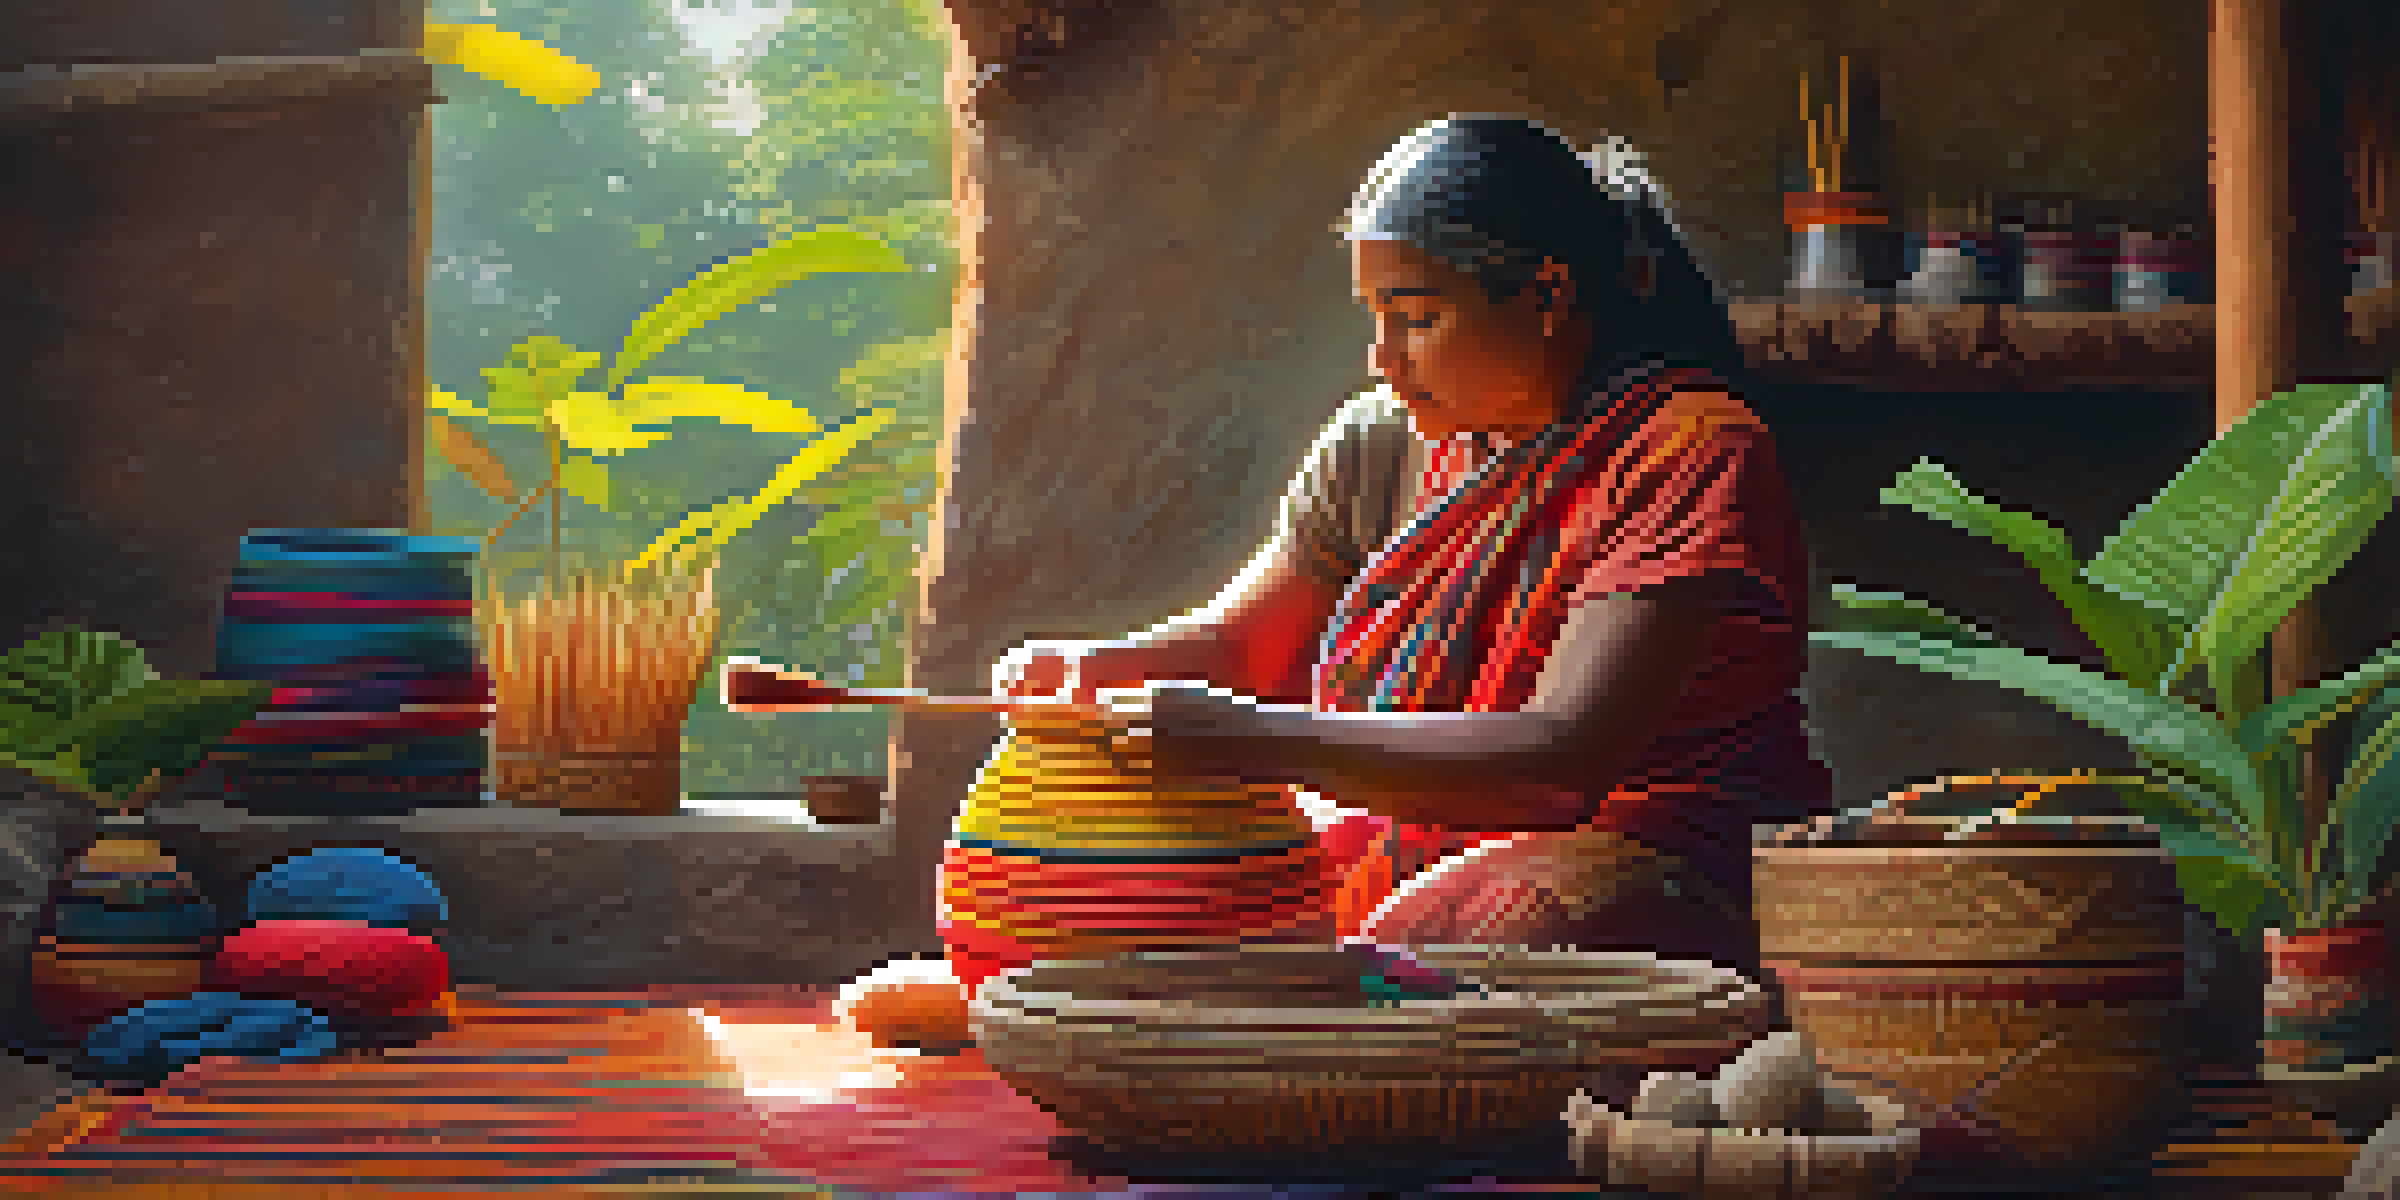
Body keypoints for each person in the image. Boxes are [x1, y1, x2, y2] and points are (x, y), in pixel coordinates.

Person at [991, 116, 1830, 973]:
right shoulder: (1379, 448)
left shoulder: (1687, 451)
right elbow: (1249, 647)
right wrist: (1098, 669)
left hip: (1655, 863)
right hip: (1408, 853)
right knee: (1129, 897)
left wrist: (1247, 739)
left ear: (1546, 298)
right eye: (1376, 319)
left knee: (1474, 934)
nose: (1382, 358)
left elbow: (1560, 762)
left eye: (1417, 318)